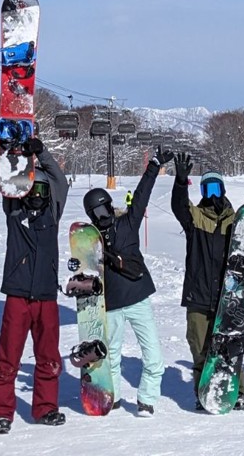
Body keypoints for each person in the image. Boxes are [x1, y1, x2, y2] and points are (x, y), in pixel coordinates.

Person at [0, 137, 70, 434]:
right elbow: (5, 180)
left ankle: (46, 407)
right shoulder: (14, 212)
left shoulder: (53, 215)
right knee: (8, 355)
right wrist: (11, 151)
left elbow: (60, 181)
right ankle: (0, 413)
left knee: (48, 356)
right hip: (18, 294)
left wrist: (41, 153)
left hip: (46, 295)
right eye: (31, 189)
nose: (36, 195)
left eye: (42, 190)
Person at [82, 146, 170, 417]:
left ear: (110, 206)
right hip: (111, 304)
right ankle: (115, 396)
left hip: (137, 297)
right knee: (112, 354)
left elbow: (142, 194)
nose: (101, 216)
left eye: (103, 209)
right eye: (95, 214)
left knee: (153, 354)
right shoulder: (91, 240)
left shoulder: (128, 223)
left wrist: (154, 165)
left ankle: (146, 399)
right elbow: (86, 272)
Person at [171, 160, 244, 410]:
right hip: (199, 294)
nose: (212, 194)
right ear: (202, 192)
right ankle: (203, 391)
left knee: (230, 347)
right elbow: (179, 206)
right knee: (200, 346)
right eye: (207, 189)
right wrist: (180, 182)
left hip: (228, 296)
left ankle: (236, 392)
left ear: (223, 189)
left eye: (216, 188)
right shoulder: (195, 218)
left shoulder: (235, 220)